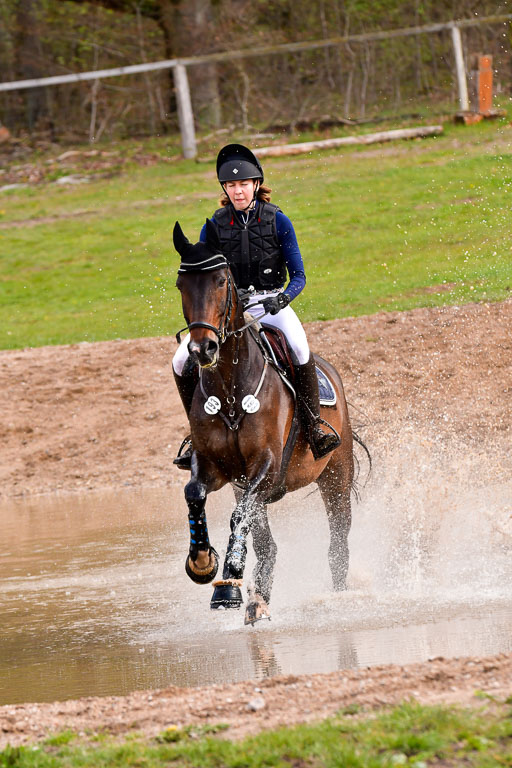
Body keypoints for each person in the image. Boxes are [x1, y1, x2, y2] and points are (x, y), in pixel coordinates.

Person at [173, 143, 341, 467]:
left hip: (270, 302)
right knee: (181, 361)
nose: (238, 191)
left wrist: (283, 299)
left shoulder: (279, 221)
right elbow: (206, 279)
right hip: (230, 310)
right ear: (225, 188)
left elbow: (300, 276)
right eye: (231, 186)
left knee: (299, 348)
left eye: (243, 184)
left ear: (256, 185)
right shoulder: (213, 227)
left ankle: (314, 426)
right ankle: (197, 435)